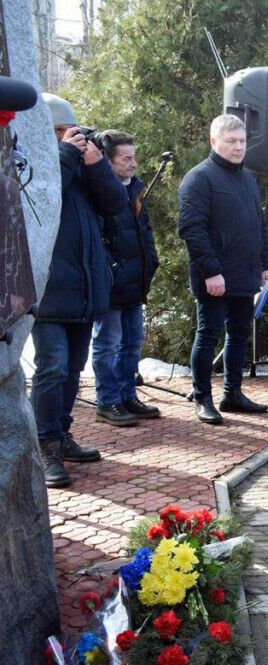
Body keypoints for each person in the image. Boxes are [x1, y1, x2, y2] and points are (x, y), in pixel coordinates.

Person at [32, 94, 126, 488]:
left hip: (85, 289)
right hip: (49, 290)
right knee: (51, 368)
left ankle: (62, 433)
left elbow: (117, 203)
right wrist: (68, 154)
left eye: (71, 131)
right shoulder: (35, 162)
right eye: (59, 132)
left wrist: (97, 163)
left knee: (72, 369)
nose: (69, 137)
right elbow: (46, 194)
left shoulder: (81, 169)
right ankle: (45, 446)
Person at [178, 114, 268, 425]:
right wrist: (210, 272)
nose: (238, 147)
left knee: (239, 335)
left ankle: (232, 393)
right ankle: (203, 397)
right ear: (214, 142)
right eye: (231, 141)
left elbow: (258, 226)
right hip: (215, 278)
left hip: (245, 275)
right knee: (208, 335)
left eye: (242, 141)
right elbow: (192, 230)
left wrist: (267, 265)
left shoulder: (248, 179)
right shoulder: (199, 178)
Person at [90, 130, 161, 427]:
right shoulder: (99, 192)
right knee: (107, 344)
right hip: (112, 285)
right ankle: (108, 401)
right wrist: (112, 272)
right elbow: (98, 241)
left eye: (134, 157)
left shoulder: (135, 190)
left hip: (135, 283)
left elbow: (143, 234)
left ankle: (127, 394)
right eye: (126, 158)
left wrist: (151, 261)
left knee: (132, 343)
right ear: (108, 161)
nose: (133, 163)